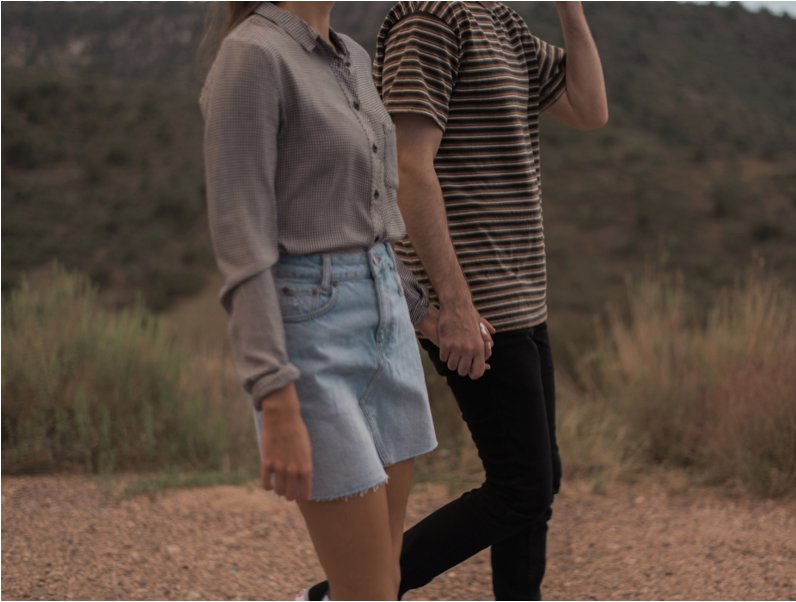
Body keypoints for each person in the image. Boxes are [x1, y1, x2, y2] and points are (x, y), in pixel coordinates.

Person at [308, 1, 607, 600]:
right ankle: (343, 595)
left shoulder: (503, 20)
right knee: (522, 486)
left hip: (523, 296)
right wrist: (455, 306)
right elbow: (410, 169)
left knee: (536, 484)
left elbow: (589, 109)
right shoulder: (431, 17)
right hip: (477, 302)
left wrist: (571, 10)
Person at [200, 2, 491, 599]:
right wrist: (274, 397)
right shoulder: (251, 56)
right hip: (312, 335)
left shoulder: (353, 55)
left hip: (387, 323)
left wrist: (422, 315)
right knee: (367, 591)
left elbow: (370, 219)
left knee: (383, 578)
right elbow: (242, 245)